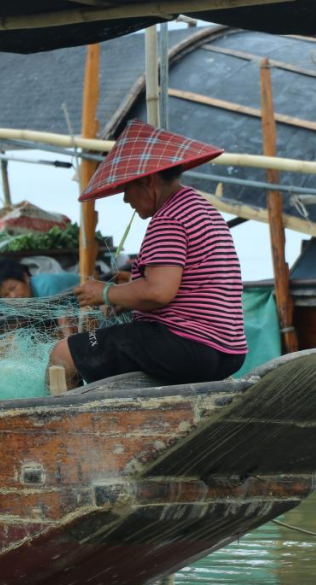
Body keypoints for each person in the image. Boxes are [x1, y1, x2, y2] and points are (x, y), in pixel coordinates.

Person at [49, 120, 247, 387]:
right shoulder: (201, 208)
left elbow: (158, 292)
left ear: (148, 181)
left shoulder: (168, 219)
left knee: (64, 354)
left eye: (126, 188)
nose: (125, 199)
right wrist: (128, 298)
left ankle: (60, 427)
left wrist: (104, 292)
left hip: (184, 344)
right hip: (229, 350)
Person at [0, 258, 78, 299]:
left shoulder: (47, 286)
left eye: (13, 288)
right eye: (4, 295)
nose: (13, 297)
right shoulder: (23, 301)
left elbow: (66, 322)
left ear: (25, 277)